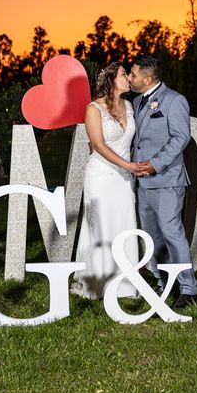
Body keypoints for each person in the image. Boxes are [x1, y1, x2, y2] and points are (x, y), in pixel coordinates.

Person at [128, 56, 197, 309]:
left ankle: (189, 288)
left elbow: (181, 138)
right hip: (142, 183)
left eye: (133, 74)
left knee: (172, 232)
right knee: (152, 236)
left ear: (147, 79)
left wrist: (155, 164)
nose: (129, 77)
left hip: (167, 180)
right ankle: (162, 280)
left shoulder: (175, 100)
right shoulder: (136, 101)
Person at [72, 63, 140, 299]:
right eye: (124, 75)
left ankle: (126, 283)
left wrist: (131, 167)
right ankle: (97, 283)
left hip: (124, 179)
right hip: (101, 176)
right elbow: (99, 146)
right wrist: (128, 166)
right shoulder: (93, 109)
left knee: (124, 224)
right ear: (111, 80)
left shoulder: (130, 106)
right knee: (101, 227)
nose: (129, 79)